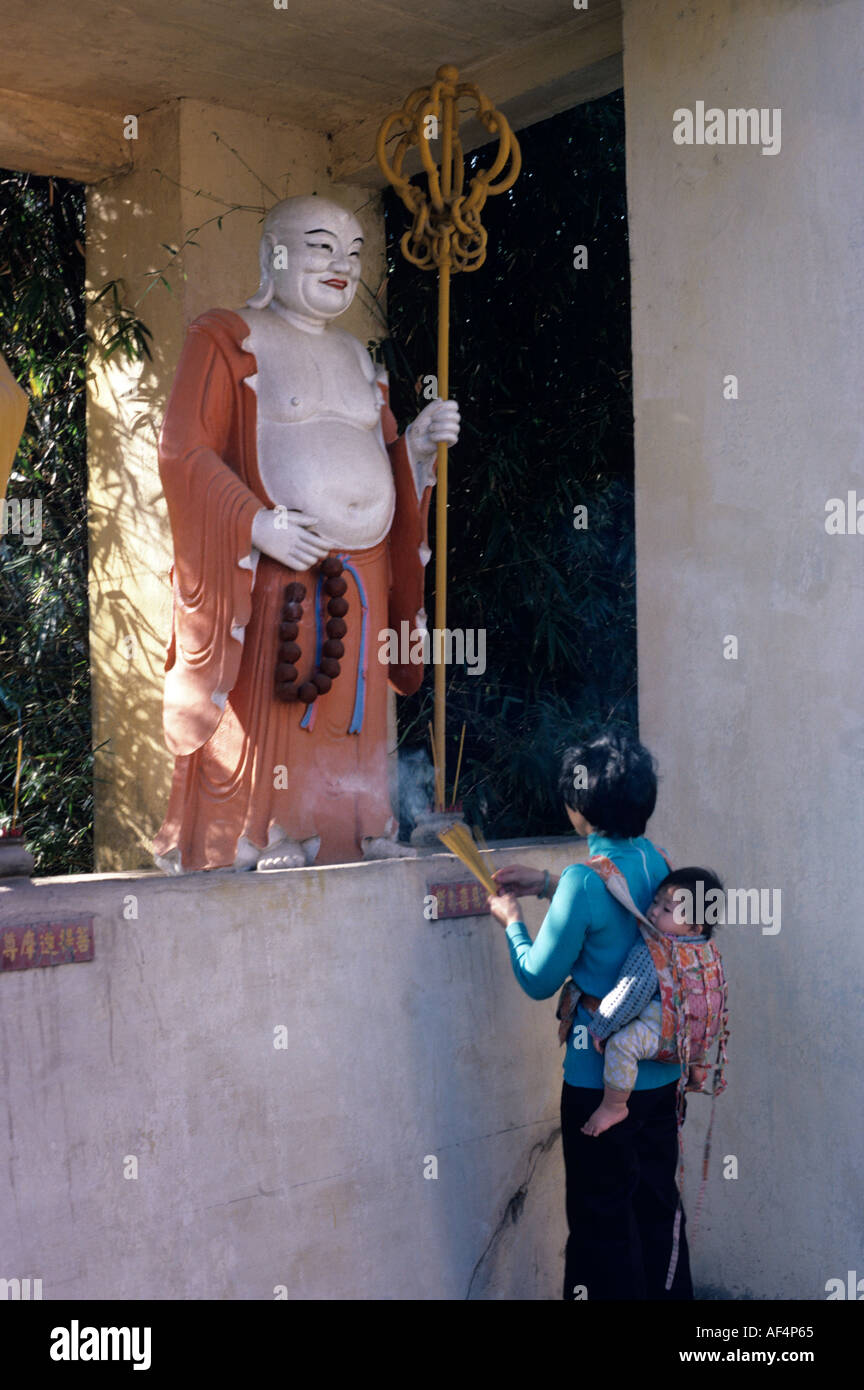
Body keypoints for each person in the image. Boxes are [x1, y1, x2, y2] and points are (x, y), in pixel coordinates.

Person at [152, 196, 460, 872]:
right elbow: (183, 450)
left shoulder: (358, 355)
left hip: (366, 563)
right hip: (276, 562)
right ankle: (267, 830)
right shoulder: (229, 336)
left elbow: (379, 464)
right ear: (274, 256)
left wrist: (414, 447)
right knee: (282, 692)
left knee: (355, 699)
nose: (341, 265)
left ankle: (360, 819)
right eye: (321, 247)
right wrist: (255, 524)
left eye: (352, 254)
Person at [487, 727, 693, 1301]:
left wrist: (512, 922)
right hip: (661, 1076)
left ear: (580, 808)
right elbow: (620, 900)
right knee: (657, 1214)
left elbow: (537, 978)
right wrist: (547, 883)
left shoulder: (583, 882)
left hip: (597, 1080)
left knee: (603, 1226)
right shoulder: (659, 861)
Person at [581, 867, 724, 1137]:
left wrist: (601, 1026)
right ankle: (697, 1071)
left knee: (622, 1045)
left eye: (667, 909)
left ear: (694, 926)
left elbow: (628, 995)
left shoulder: (653, 950)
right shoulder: (707, 950)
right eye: (656, 902)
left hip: (665, 1033)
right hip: (699, 1037)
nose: (654, 911)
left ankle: (614, 1106)